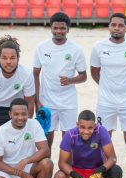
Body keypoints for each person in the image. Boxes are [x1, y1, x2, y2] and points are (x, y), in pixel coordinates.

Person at [90, 13, 126, 171]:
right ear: (109, 27)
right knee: (103, 141)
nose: (117, 28)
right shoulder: (99, 47)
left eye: (120, 25)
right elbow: (94, 72)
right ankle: (100, 177)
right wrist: (105, 88)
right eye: (114, 25)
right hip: (105, 102)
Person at [33, 12, 87, 153]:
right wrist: (37, 101)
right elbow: (35, 74)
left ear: (68, 29)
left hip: (68, 103)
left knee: (68, 143)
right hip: (47, 102)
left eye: (62, 28)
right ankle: (46, 173)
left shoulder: (76, 49)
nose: (59, 31)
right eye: (55, 28)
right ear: (50, 28)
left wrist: (70, 80)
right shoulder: (41, 47)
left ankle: (65, 173)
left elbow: (84, 76)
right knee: (45, 142)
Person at [54, 110, 122, 178]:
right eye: (82, 127)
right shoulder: (70, 134)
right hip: (77, 171)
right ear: (77, 125)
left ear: (94, 125)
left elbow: (112, 158)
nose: (86, 131)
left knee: (117, 171)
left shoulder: (101, 131)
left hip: (97, 172)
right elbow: (62, 163)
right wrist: (76, 176)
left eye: (90, 127)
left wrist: (98, 172)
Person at [0, 35, 35, 142]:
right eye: (4, 58)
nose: (8, 62)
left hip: (18, 110)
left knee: (19, 145)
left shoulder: (26, 74)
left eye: (12, 58)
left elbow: (30, 102)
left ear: (18, 58)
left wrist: (28, 123)